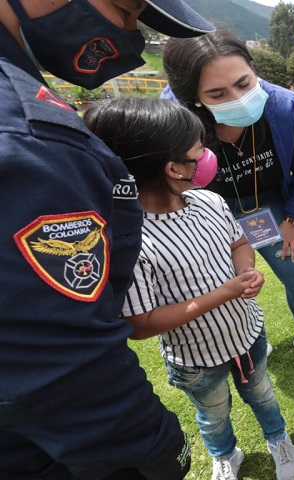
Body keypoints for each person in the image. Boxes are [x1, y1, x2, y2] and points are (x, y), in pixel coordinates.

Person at [0, 1, 213, 478]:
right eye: (127, 6)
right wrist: (157, 451)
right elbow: (61, 367)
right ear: (169, 165)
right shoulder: (29, 136)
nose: (131, 31)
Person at [83, 97, 294, 480]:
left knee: (262, 394)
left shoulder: (210, 201)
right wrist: (227, 291)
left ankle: (278, 439)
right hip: (196, 359)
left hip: (247, 334)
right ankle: (225, 455)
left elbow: (239, 243)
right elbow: (142, 324)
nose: (206, 155)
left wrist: (247, 270)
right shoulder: (128, 239)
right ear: (173, 168)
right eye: (199, 150)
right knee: (213, 413)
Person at [160, 27, 294, 367]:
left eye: (244, 84)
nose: (237, 99)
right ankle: (245, 337)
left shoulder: (286, 107)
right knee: (223, 280)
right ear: (193, 97)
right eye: (217, 94)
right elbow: (166, 181)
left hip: (266, 203)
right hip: (208, 208)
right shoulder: (174, 119)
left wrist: (292, 220)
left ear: (253, 67)